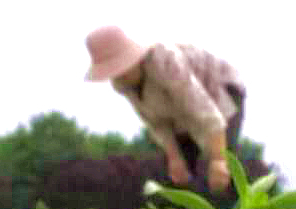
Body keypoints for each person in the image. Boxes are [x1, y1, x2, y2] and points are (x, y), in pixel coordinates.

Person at [84, 26, 245, 194]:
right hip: (180, 109)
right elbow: (156, 123)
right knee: (178, 168)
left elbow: (205, 112)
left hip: (220, 87)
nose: (119, 75)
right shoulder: (122, 84)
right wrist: (174, 158)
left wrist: (218, 160)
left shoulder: (165, 61)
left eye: (121, 67)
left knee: (225, 160)